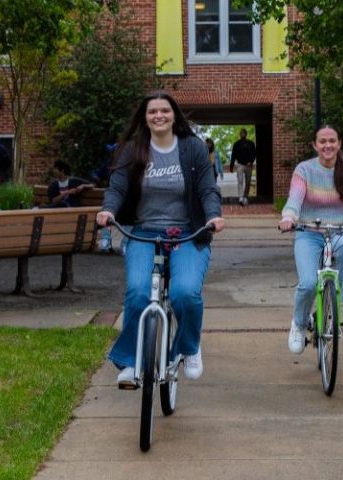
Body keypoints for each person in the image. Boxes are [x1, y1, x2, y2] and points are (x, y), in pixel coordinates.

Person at [96, 91, 225, 386]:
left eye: (164, 110)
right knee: (139, 293)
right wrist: (108, 210)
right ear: (145, 117)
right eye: (152, 111)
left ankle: (189, 347)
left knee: (185, 293)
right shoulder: (133, 149)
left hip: (188, 233)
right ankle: (131, 362)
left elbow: (207, 188)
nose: (159, 116)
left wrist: (213, 215)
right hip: (143, 233)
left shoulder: (192, 148)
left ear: (174, 115)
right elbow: (116, 187)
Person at [278, 125, 343, 354]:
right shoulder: (304, 170)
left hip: (342, 228)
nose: (327, 145)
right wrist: (288, 216)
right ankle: (299, 324)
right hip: (308, 232)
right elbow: (295, 198)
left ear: (339, 143)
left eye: (332, 141)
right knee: (308, 284)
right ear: (315, 145)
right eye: (322, 141)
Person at [229, 128, 256, 206]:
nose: (242, 135)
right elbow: (233, 155)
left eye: (243, 133)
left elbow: (254, 153)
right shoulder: (236, 144)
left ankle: (245, 196)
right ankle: (240, 197)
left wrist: (251, 161)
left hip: (248, 165)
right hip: (240, 164)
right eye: (240, 133)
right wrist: (231, 166)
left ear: (246, 134)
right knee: (240, 181)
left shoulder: (251, 143)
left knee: (248, 182)